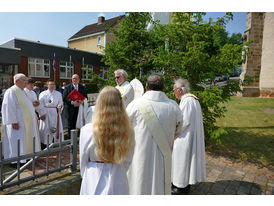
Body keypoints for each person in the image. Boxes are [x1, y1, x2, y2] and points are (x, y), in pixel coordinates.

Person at [126, 74, 184, 195]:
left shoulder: (135, 105)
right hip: (164, 156)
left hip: (139, 155)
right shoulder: (173, 106)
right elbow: (179, 131)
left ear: (146, 87)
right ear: (163, 87)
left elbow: (124, 129)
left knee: (139, 185)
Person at [79, 86, 134, 195]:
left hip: (93, 175)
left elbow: (83, 160)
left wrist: (87, 174)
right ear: (120, 104)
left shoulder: (87, 130)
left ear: (99, 104)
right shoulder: (128, 131)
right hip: (119, 175)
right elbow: (128, 160)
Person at [172, 78, 206, 195]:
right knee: (185, 162)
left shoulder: (187, 101)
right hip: (189, 136)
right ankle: (183, 185)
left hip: (184, 138)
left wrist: (172, 132)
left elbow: (183, 122)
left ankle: (180, 187)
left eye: (174, 90)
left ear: (180, 90)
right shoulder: (192, 99)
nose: (173, 93)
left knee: (181, 161)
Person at [1, 73, 41, 166]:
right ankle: (15, 161)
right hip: (17, 123)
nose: (26, 82)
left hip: (25, 123)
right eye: (24, 80)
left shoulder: (23, 91)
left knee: (24, 141)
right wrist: (13, 121)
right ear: (16, 81)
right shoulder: (11, 91)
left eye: (26, 80)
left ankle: (24, 158)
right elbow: (8, 107)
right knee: (17, 141)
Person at [39, 80, 64, 149]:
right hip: (46, 113)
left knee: (56, 128)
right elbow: (40, 105)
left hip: (56, 113)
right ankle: (45, 143)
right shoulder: (43, 94)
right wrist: (41, 114)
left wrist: (60, 106)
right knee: (46, 128)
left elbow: (61, 102)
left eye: (53, 84)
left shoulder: (58, 94)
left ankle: (56, 143)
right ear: (47, 85)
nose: (52, 86)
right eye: (50, 84)